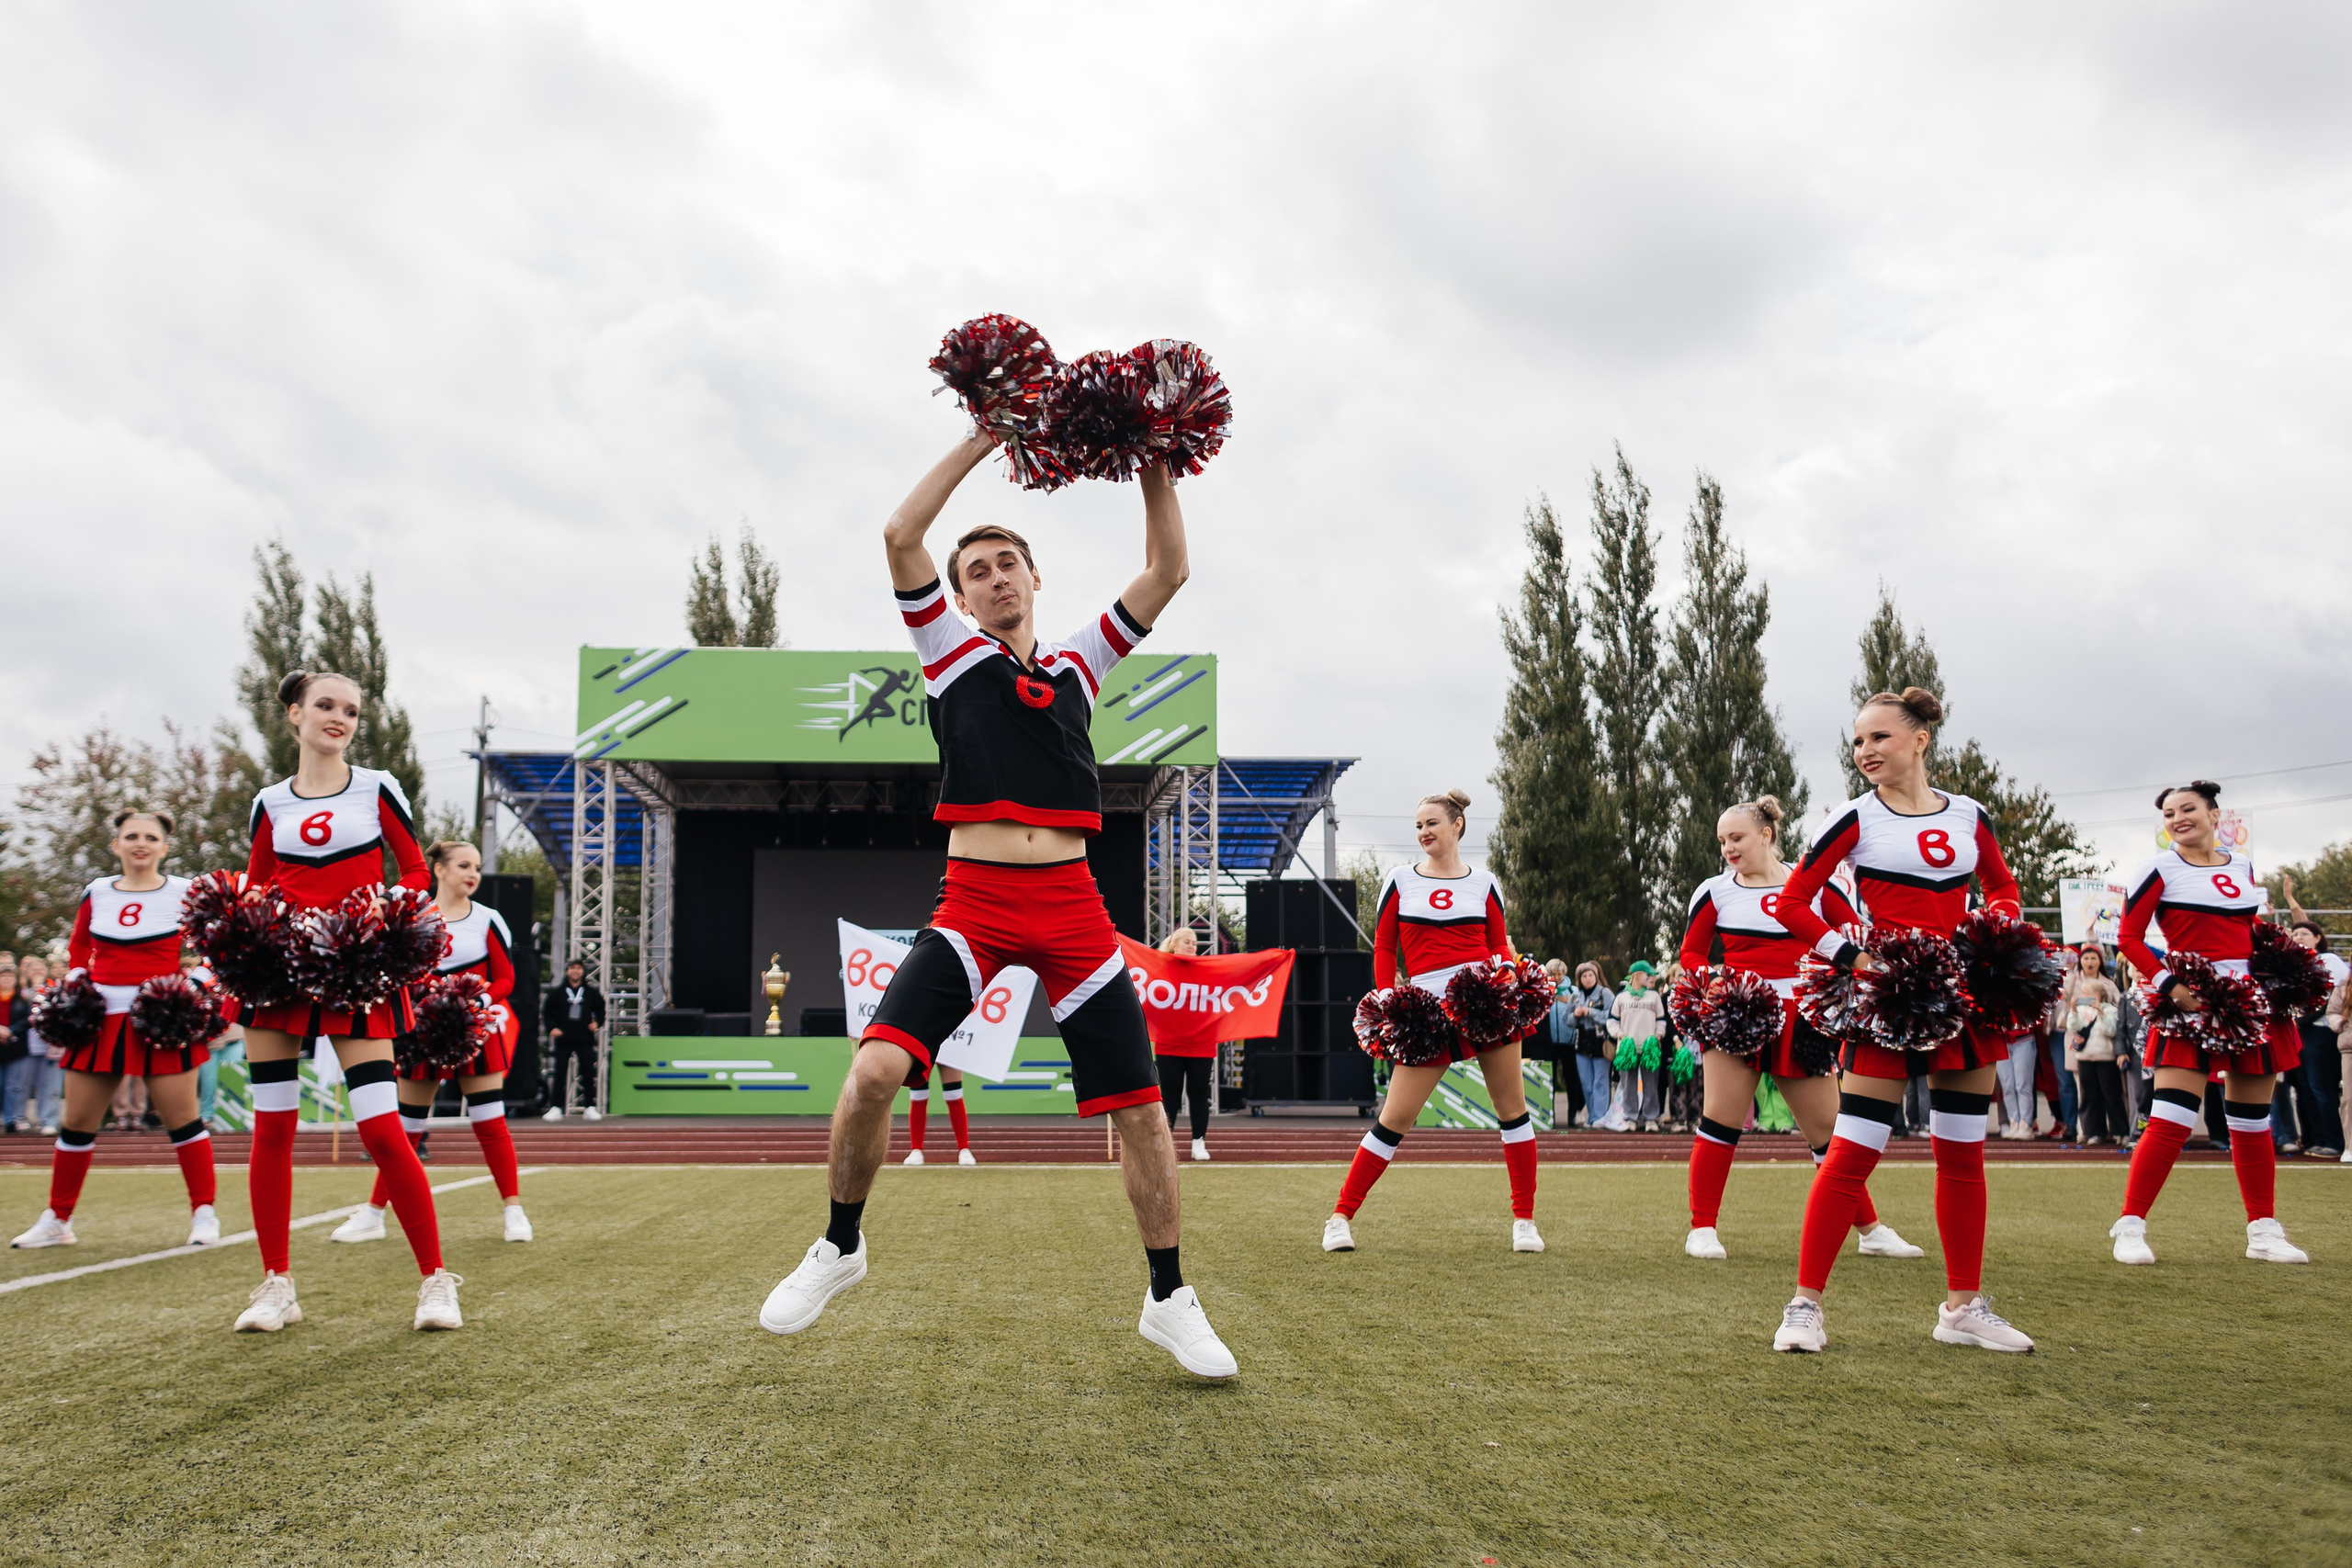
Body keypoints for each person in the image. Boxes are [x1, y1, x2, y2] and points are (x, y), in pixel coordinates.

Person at [758, 434, 1235, 1379]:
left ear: (1033, 577)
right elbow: (900, 531)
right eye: (974, 572)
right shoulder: (946, 652)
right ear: (961, 596)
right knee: (873, 1075)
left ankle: (1168, 1296)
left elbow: (1168, 567)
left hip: (1070, 906)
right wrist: (984, 433)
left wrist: (1148, 451)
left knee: (1142, 1112)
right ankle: (840, 1244)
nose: (992, 580)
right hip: (973, 902)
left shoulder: (1078, 664)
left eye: (1006, 565)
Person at [1767, 687, 2037, 1355]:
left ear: (1919, 739)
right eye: (1858, 741)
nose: (1865, 751)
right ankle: (1805, 1305)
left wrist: (1992, 931)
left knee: (1963, 1155)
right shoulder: (1854, 817)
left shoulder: (1972, 816)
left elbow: (2003, 887)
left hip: (1959, 1003)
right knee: (1853, 1154)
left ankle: (1961, 1306)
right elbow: (1793, 901)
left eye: (1879, 737)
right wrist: (1853, 956)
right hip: (1884, 1001)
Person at [228, 671, 460, 1332]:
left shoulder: (376, 786)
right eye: (326, 706)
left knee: (382, 1130)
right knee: (271, 1128)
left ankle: (435, 1281)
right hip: (281, 978)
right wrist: (250, 929)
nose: (339, 718)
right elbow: (257, 884)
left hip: (357, 972)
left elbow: (414, 869)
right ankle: (277, 1284)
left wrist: (380, 918)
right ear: (295, 713)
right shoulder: (270, 801)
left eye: (351, 710)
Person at [1676, 794, 1923, 1263]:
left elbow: (1851, 936)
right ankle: (1702, 1228)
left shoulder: (1814, 885)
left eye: (1737, 837)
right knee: (1720, 1122)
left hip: (1804, 1018)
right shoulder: (1714, 890)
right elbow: (1691, 954)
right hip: (1738, 1014)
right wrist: (1714, 979)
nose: (1728, 847)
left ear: (1766, 834)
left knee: (1830, 1132)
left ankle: (1870, 1230)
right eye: (1722, 840)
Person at [1323, 789, 1543, 1257]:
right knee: (1395, 1117)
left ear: (1457, 825)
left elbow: (1499, 944)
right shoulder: (1400, 879)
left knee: (1513, 1110)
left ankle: (1524, 1220)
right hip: (1425, 1010)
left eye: (1432, 824)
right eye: (1418, 826)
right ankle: (1339, 1217)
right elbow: (1384, 947)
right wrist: (1387, 996)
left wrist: (1505, 976)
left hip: (1484, 1002)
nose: (1424, 832)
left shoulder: (1485, 882)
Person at [2109, 782, 2312, 1266]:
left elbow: (2248, 930)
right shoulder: (2157, 867)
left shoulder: (2240, 865)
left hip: (2249, 1005)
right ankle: (2131, 1225)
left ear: (2213, 813)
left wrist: (2286, 962)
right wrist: (2171, 988)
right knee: (2173, 1117)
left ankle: (2263, 1228)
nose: (2178, 818)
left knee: (2252, 1121)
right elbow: (2129, 939)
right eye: (2168, 814)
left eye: (2187, 809)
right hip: (2189, 1003)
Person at [10, 810, 221, 1251]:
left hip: (163, 1019)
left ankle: (204, 1213)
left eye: (150, 837)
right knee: (76, 1123)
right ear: (117, 845)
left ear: (164, 847)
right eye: (131, 836)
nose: (140, 843)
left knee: (182, 1121)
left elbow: (218, 946)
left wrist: (193, 984)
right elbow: (80, 947)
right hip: (99, 1021)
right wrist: (75, 981)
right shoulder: (97, 891)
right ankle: (58, 1219)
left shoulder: (187, 891)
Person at [333, 840, 534, 1246]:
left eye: (476, 866)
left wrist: (476, 1000)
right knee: (404, 1127)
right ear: (438, 870)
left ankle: (514, 1210)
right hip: (420, 1030)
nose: (472, 873)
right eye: (463, 865)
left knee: (489, 1121)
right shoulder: (415, 917)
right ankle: (374, 1214)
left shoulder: (488, 919)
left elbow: (507, 979)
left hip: (474, 1028)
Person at [2274, 874, 2345, 1158]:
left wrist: (2292, 901)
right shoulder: (2292, 966)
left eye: (2305, 934)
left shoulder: (2328, 960)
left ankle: (2333, 1141)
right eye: (2294, 934)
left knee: (2321, 1088)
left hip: (2318, 1031)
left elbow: (2329, 996)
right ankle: (2313, 1138)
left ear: (2318, 938)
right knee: (2301, 1087)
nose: (2298, 936)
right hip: (2297, 1032)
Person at [1153, 925, 1214, 1163]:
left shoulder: (1208, 969)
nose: (1192, 946)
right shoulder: (1159, 968)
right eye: (1187, 941)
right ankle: (1164, 1146)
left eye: (1194, 943)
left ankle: (1199, 1143)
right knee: (1169, 1096)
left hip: (1201, 1043)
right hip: (1169, 1043)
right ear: (1174, 945)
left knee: (1199, 1094)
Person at [2064, 948, 2123, 1145]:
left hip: (2105, 1058)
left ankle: (2119, 1131)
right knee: (2089, 1097)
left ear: (2100, 995)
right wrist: (2073, 1010)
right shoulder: (2080, 1009)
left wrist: (2101, 1012)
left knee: (2112, 1096)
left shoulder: (2111, 1010)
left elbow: (2111, 1030)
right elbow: (2073, 1028)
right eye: (2084, 995)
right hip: (2085, 1058)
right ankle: (2093, 1131)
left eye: (2091, 995)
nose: (2087, 998)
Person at [542, 961, 605, 1122]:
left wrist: (597, 1023)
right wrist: (551, 1028)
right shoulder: (557, 993)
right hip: (564, 1038)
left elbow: (601, 1010)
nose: (575, 971)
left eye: (578, 968)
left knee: (588, 1073)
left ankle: (590, 1107)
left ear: (583, 972)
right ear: (567, 971)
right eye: (572, 968)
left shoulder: (591, 992)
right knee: (559, 1073)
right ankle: (556, 1107)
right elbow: (546, 1012)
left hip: (585, 1038)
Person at [1609, 963, 1667, 1134]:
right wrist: (1620, 1034)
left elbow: (1661, 1020)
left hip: (1649, 1048)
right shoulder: (1621, 997)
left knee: (1651, 1084)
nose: (1650, 978)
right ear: (1636, 975)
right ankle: (1630, 1117)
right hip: (1628, 1048)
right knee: (1628, 1084)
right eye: (1646, 975)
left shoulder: (1654, 996)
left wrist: (1658, 1034)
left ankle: (1650, 1118)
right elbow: (1611, 1021)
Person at [1566, 961, 1616, 1129]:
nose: (1588, 979)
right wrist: (1576, 1014)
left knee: (1600, 1081)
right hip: (1582, 1044)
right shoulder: (1575, 996)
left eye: (1591, 975)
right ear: (1579, 979)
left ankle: (1599, 1117)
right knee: (1586, 1082)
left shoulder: (1605, 993)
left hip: (1601, 1043)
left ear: (1596, 977)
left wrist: (1591, 1012)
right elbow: (1567, 1019)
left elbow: (1613, 1015)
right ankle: (1592, 1115)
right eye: (1584, 976)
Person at [19, 954, 62, 1135]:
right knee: (21, 1084)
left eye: (40, 970)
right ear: (27, 973)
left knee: (50, 1086)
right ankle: (19, 1118)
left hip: (49, 1047)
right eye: (33, 970)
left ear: (47, 972)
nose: (37, 973)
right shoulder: (20, 993)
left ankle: (48, 1120)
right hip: (25, 1047)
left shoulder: (55, 990)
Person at [0, 961, 28, 1134]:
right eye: (3, 977)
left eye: (10, 977)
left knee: (13, 1086)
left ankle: (11, 1119)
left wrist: (10, 1031)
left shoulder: (23, 1001)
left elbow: (28, 1020)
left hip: (15, 1047)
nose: (6, 980)